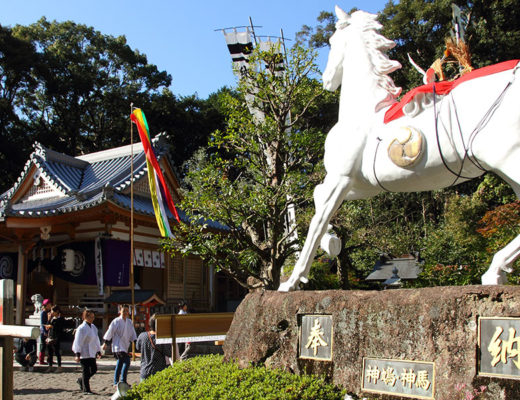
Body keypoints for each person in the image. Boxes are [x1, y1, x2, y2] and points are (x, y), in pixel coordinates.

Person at [102, 304, 137, 386]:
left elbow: (132, 333)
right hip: (117, 346)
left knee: (120, 363)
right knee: (127, 361)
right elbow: (110, 332)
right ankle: (123, 381)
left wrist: (135, 342)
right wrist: (106, 343)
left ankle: (115, 381)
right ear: (120, 311)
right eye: (123, 310)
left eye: (127, 311)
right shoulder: (116, 321)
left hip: (125, 345)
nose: (125, 312)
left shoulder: (129, 322)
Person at [72, 309, 102, 394]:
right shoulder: (81, 328)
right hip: (83, 352)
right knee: (85, 370)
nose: (92, 319)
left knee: (93, 369)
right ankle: (86, 389)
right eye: (90, 317)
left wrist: (98, 350)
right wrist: (77, 353)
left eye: (93, 317)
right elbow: (78, 341)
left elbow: (96, 339)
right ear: (86, 317)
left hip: (92, 351)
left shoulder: (93, 327)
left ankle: (81, 380)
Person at [135, 314, 172, 381]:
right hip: (158, 372)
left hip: (144, 371)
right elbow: (169, 353)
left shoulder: (142, 336)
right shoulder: (161, 339)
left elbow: (137, 347)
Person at [46, 305, 65, 372]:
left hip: (56, 337)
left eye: (52, 311)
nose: (51, 312)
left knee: (57, 352)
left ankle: (59, 366)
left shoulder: (60, 319)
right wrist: (48, 320)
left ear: (57, 311)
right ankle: (50, 366)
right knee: (50, 353)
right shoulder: (52, 318)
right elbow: (47, 327)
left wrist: (52, 326)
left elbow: (60, 328)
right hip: (50, 336)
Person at [39, 298, 52, 365]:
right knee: (43, 346)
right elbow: (42, 323)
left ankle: (50, 359)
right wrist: (45, 332)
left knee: (49, 346)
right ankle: (41, 360)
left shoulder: (48, 312)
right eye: (49, 304)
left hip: (48, 330)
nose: (50, 305)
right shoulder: (43, 313)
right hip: (43, 331)